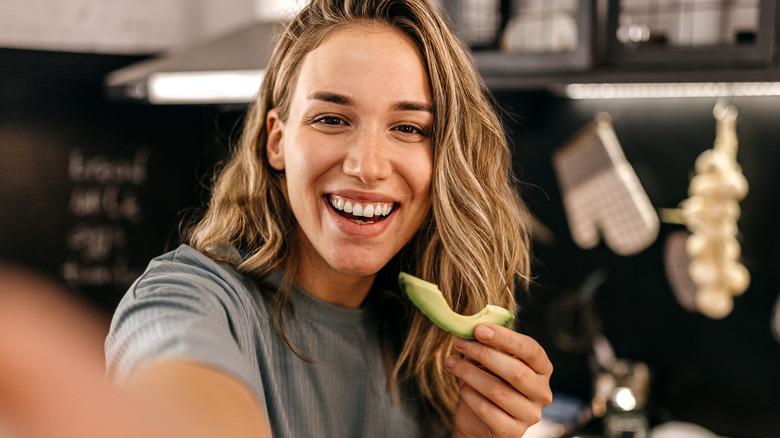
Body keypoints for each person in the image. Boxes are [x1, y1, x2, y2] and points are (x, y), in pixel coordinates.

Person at [105, 0, 553, 437]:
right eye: (332, 119)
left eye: (409, 128)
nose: (368, 166)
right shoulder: (190, 299)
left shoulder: (433, 348)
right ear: (277, 141)